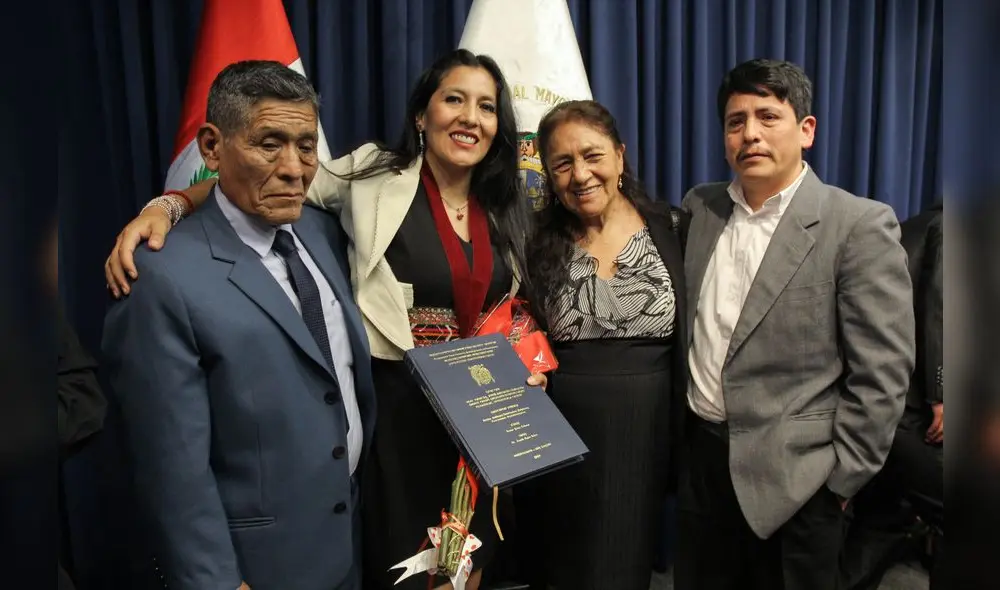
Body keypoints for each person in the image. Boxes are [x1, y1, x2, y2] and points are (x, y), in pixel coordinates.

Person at [103, 49, 541, 590]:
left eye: (487, 106)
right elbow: (262, 188)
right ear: (421, 115)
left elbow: (516, 310)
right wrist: (166, 206)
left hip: (476, 421)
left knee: (470, 570)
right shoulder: (368, 180)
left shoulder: (504, 205)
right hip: (403, 426)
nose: (471, 117)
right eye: (454, 99)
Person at [102, 60, 376, 590]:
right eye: (269, 143)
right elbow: (170, 468)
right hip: (254, 569)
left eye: (306, 145)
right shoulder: (160, 280)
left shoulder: (320, 231)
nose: (294, 168)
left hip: (343, 550)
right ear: (211, 148)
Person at [674, 58, 915, 590]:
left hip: (798, 485)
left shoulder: (856, 224)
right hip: (703, 472)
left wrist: (839, 482)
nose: (750, 134)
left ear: (806, 130)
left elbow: (884, 373)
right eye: (736, 122)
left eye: (768, 116)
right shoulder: (702, 208)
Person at [518, 100, 688, 590]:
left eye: (592, 155)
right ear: (548, 176)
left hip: (649, 426)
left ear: (619, 155)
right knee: (564, 565)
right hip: (563, 431)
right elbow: (522, 332)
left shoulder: (674, 228)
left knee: (627, 561)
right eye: (563, 164)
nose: (581, 175)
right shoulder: (534, 243)